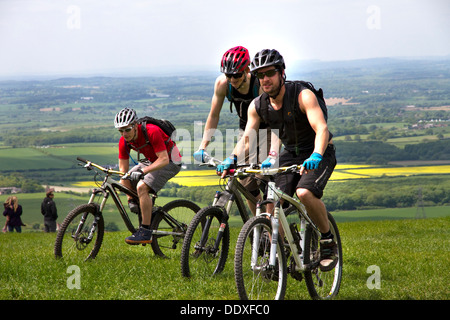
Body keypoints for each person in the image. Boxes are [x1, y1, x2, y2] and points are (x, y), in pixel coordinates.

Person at [217, 49, 338, 272]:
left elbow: (321, 128)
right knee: (271, 201)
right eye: (260, 75)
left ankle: (328, 240)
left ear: (282, 73)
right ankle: (280, 252)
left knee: (304, 192)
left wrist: (316, 155)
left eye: (270, 73)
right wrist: (231, 159)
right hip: (291, 153)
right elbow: (247, 140)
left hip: (319, 152)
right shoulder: (258, 105)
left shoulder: (302, 96)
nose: (265, 79)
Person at [194, 46, 271, 214]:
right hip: (246, 129)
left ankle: (275, 228)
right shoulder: (223, 84)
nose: (232, 79)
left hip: (269, 129)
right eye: (228, 75)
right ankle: (259, 225)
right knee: (246, 184)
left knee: (265, 178)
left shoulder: (258, 85)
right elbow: (214, 115)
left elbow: (264, 121)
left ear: (247, 70)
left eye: (236, 75)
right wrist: (203, 146)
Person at [115, 107, 182, 245]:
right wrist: (129, 197)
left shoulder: (152, 130)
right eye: (120, 131)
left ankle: (145, 231)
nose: (124, 134)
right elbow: (123, 169)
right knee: (124, 180)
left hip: (171, 160)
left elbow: (163, 159)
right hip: (152, 160)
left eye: (127, 129)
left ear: (135, 125)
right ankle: (143, 207)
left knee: (142, 187)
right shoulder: (124, 140)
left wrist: (143, 172)